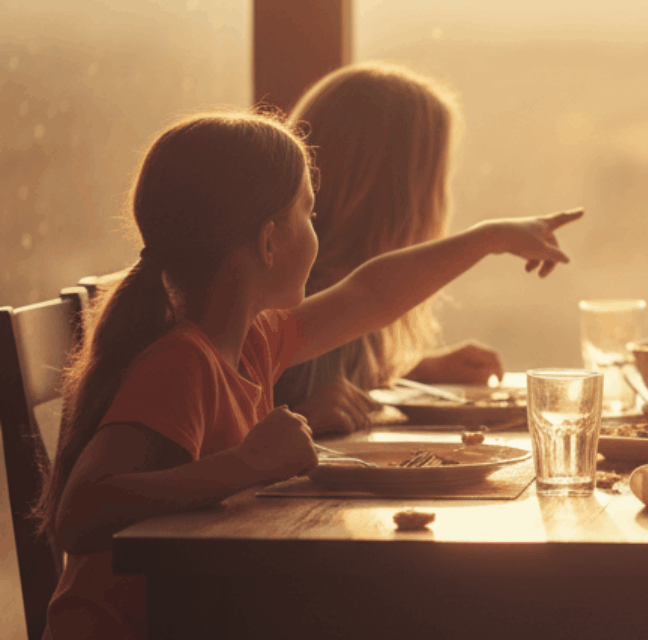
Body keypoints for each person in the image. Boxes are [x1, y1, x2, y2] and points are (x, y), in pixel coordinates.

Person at [33, 112, 582, 640]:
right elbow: (79, 513)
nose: (316, 232)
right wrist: (245, 466)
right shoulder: (181, 363)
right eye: (309, 214)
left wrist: (488, 237)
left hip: (199, 615)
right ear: (271, 242)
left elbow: (372, 295)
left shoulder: (253, 343)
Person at [274, 63, 501, 436]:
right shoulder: (292, 298)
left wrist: (423, 369)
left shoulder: (342, 288)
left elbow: (339, 374)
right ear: (400, 194)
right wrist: (301, 418)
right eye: (437, 180)